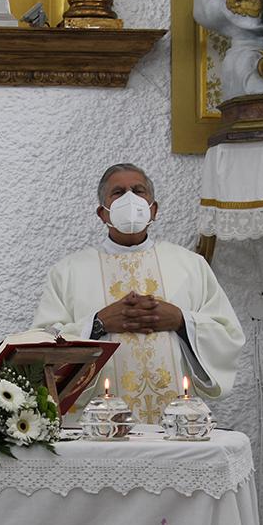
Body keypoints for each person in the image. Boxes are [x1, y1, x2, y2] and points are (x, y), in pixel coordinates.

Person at [32, 164, 245, 424]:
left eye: (138, 190)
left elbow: (228, 336)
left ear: (153, 209)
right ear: (103, 213)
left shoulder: (191, 265)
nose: (129, 198)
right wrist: (98, 324)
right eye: (118, 192)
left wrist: (181, 322)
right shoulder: (68, 272)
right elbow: (41, 347)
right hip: (97, 426)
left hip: (175, 425)